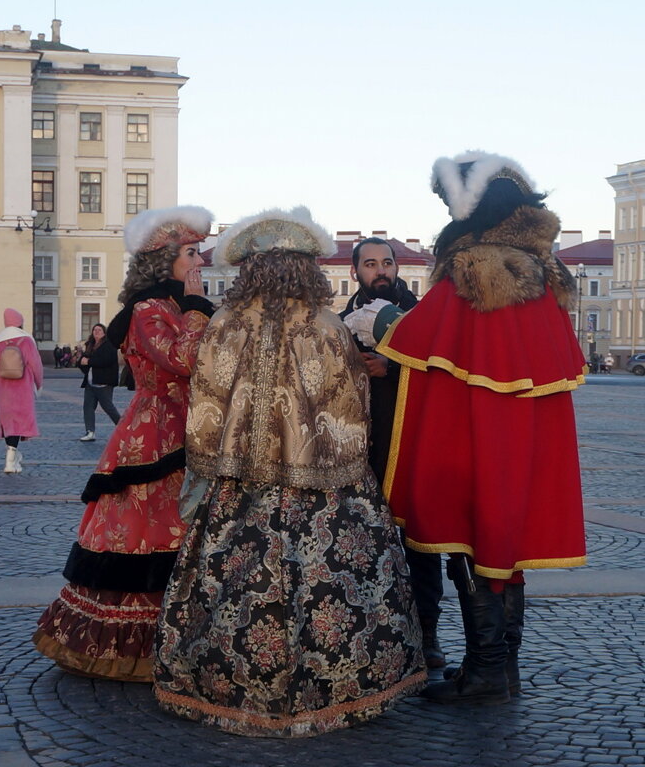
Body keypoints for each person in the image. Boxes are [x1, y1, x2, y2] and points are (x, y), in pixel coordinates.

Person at [154, 207, 426, 738]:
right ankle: (336, 687)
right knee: (334, 589)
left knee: (229, 583)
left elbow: (205, 403)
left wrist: (209, 465)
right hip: (324, 490)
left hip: (239, 490)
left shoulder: (225, 324)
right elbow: (350, 408)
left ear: (249, 269)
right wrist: (352, 472)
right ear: (306, 268)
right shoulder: (327, 327)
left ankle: (224, 682)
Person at [376, 151, 587, 705]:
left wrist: (373, 321)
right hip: (529, 438)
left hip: (475, 432)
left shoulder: (473, 270)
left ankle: (487, 670)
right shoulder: (545, 272)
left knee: (469, 538)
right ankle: (499, 667)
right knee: (506, 544)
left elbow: (419, 334)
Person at [33, 205, 216, 680]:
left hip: (197, 427)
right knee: (146, 524)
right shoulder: (148, 309)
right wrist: (199, 311)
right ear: (164, 260)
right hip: (155, 435)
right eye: (192, 253)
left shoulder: (180, 306)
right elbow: (183, 360)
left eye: (200, 252)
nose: (200, 262)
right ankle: (134, 644)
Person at [340, 237, 445, 670]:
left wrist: (392, 366)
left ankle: (429, 633)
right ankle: (369, 634)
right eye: (370, 264)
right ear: (355, 273)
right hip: (363, 450)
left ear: (398, 267)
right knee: (362, 544)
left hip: (416, 445)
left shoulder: (424, 314)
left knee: (421, 543)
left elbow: (442, 364)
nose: (380, 270)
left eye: (387, 263)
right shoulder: (342, 321)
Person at [0, 308, 43, 474]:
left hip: (4, 390)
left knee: (9, 423)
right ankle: (11, 459)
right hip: (23, 388)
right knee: (19, 423)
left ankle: (13, 456)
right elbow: (36, 365)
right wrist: (39, 383)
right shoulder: (26, 341)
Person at [77, 323, 120, 442]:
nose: (96, 332)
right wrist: (81, 362)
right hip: (90, 382)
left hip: (104, 382)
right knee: (88, 407)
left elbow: (105, 361)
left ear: (104, 332)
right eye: (94, 330)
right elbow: (84, 361)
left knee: (108, 407)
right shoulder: (90, 344)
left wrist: (89, 361)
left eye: (99, 330)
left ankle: (123, 427)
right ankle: (90, 432)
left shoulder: (108, 345)